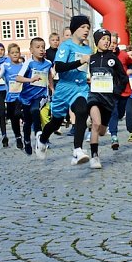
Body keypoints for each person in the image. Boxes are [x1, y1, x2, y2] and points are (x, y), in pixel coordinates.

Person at [35, 15, 93, 165]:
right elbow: (59, 67)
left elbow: (86, 68)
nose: (86, 30)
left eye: (88, 27)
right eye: (82, 27)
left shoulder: (87, 48)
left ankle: (77, 150)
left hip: (81, 87)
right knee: (56, 122)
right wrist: (80, 61)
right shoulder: (66, 46)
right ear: (74, 29)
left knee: (81, 111)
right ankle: (42, 139)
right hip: (64, 87)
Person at [84, 29, 129, 169]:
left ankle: (93, 127)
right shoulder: (91, 59)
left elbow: (123, 78)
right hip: (94, 96)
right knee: (96, 124)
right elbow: (84, 75)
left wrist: (116, 92)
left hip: (108, 99)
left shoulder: (113, 59)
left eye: (108, 39)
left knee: (102, 131)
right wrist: (87, 81)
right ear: (97, 41)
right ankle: (95, 157)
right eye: (103, 39)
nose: (106, 41)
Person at [19, 37, 53, 156]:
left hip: (41, 95)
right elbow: (18, 78)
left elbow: (49, 76)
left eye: (43, 47)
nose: (41, 50)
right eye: (38, 47)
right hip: (26, 96)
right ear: (31, 50)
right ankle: (27, 141)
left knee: (35, 110)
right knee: (27, 121)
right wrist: (30, 79)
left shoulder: (48, 63)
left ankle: (39, 135)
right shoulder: (28, 63)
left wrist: (52, 88)